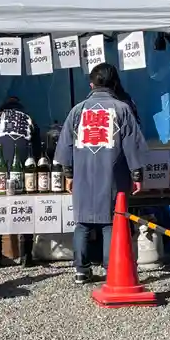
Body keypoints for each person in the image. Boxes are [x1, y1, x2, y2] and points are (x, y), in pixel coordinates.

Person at [55, 63, 149, 285]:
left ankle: (81, 270)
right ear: (114, 83)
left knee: (82, 223)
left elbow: (65, 146)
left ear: (91, 84)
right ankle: (111, 269)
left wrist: (69, 174)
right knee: (111, 223)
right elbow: (132, 146)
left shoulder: (77, 110)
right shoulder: (122, 109)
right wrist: (137, 175)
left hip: (83, 175)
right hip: (113, 175)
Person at [0, 94, 41, 267]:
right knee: (24, 207)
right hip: (22, 169)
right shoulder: (29, 120)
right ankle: (26, 256)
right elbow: (37, 151)